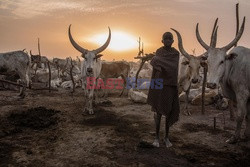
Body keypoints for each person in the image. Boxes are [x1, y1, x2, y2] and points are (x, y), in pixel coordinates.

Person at [147, 32, 180, 148]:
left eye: (170, 38)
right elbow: (157, 65)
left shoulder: (176, 54)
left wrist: (158, 61)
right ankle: (156, 137)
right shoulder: (159, 52)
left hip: (170, 85)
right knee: (158, 112)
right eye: (165, 39)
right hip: (159, 84)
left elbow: (173, 67)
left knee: (168, 112)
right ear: (162, 41)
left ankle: (166, 137)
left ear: (172, 41)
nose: (167, 40)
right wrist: (157, 61)